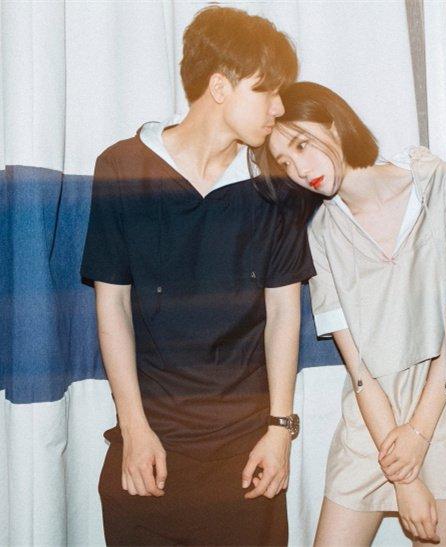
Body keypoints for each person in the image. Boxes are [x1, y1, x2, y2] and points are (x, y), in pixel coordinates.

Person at [80, 7, 316, 546]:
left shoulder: (275, 186)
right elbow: (111, 303)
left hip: (247, 455)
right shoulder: (122, 167)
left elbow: (284, 313)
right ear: (219, 87)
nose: (279, 108)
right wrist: (134, 429)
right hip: (150, 445)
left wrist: (280, 430)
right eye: (266, 90)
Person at [253, 81, 446, 546]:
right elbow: (359, 368)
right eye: (284, 162)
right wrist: (405, 478)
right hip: (372, 419)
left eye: (301, 145)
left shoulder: (435, 180)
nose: (299, 169)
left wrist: (419, 434)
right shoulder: (319, 233)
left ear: (332, 122)